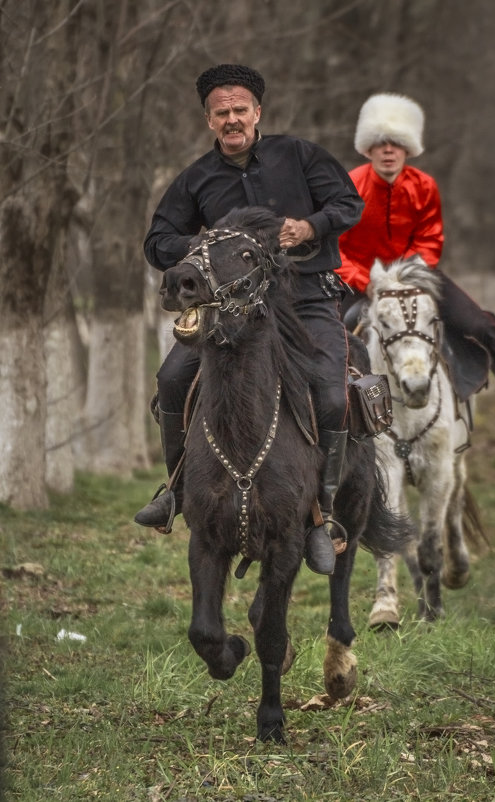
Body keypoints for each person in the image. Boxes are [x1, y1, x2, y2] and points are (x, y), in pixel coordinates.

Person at [134, 64, 365, 574]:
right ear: (209, 120)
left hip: (306, 300)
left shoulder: (301, 155)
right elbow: (156, 243)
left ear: (257, 112)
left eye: (240, 109)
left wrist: (310, 227)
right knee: (172, 378)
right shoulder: (196, 178)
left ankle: (323, 513)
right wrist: (206, 245)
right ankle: (175, 491)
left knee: (331, 393)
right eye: (222, 112)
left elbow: (349, 203)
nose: (232, 119)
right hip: (229, 309)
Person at [336, 92, 495, 419]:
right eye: (381, 143)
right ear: (368, 148)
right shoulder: (349, 187)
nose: (388, 150)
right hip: (360, 282)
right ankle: (330, 421)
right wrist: (366, 281)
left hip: (417, 277)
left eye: (396, 143)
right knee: (328, 338)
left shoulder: (424, 185)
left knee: (484, 325)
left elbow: (430, 240)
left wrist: (410, 278)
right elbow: (337, 247)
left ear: (408, 149)